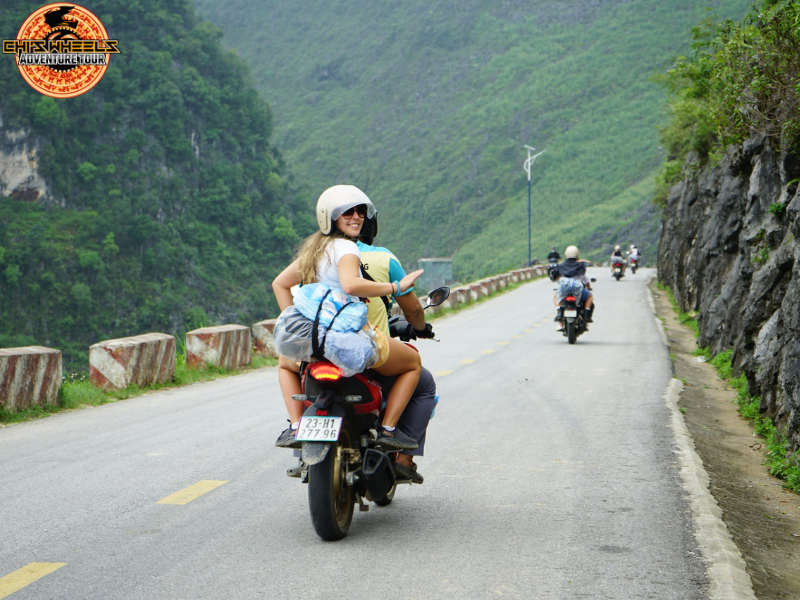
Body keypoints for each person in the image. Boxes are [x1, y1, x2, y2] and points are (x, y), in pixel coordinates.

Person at [272, 184, 423, 455]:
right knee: (413, 363)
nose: (356, 217)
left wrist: (295, 321)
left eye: (360, 212)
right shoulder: (347, 248)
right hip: (347, 339)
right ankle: (388, 429)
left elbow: (280, 284)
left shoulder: (315, 250)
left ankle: (295, 426)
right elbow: (351, 285)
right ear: (331, 218)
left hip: (313, 339)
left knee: (285, 365)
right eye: (347, 213)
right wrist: (395, 288)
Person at [356, 210, 436, 484]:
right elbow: (412, 308)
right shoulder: (382, 258)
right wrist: (422, 328)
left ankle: (297, 426)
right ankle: (401, 453)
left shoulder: (315, 256)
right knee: (424, 384)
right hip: (369, 352)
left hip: (321, 347)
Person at [553, 245, 594, 330]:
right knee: (590, 296)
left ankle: (559, 312)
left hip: (564, 289)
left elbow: (554, 276)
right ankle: (586, 314)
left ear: (566, 254)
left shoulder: (560, 266)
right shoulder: (581, 265)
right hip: (577, 289)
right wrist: (580, 260)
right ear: (577, 254)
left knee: (555, 296)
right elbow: (589, 263)